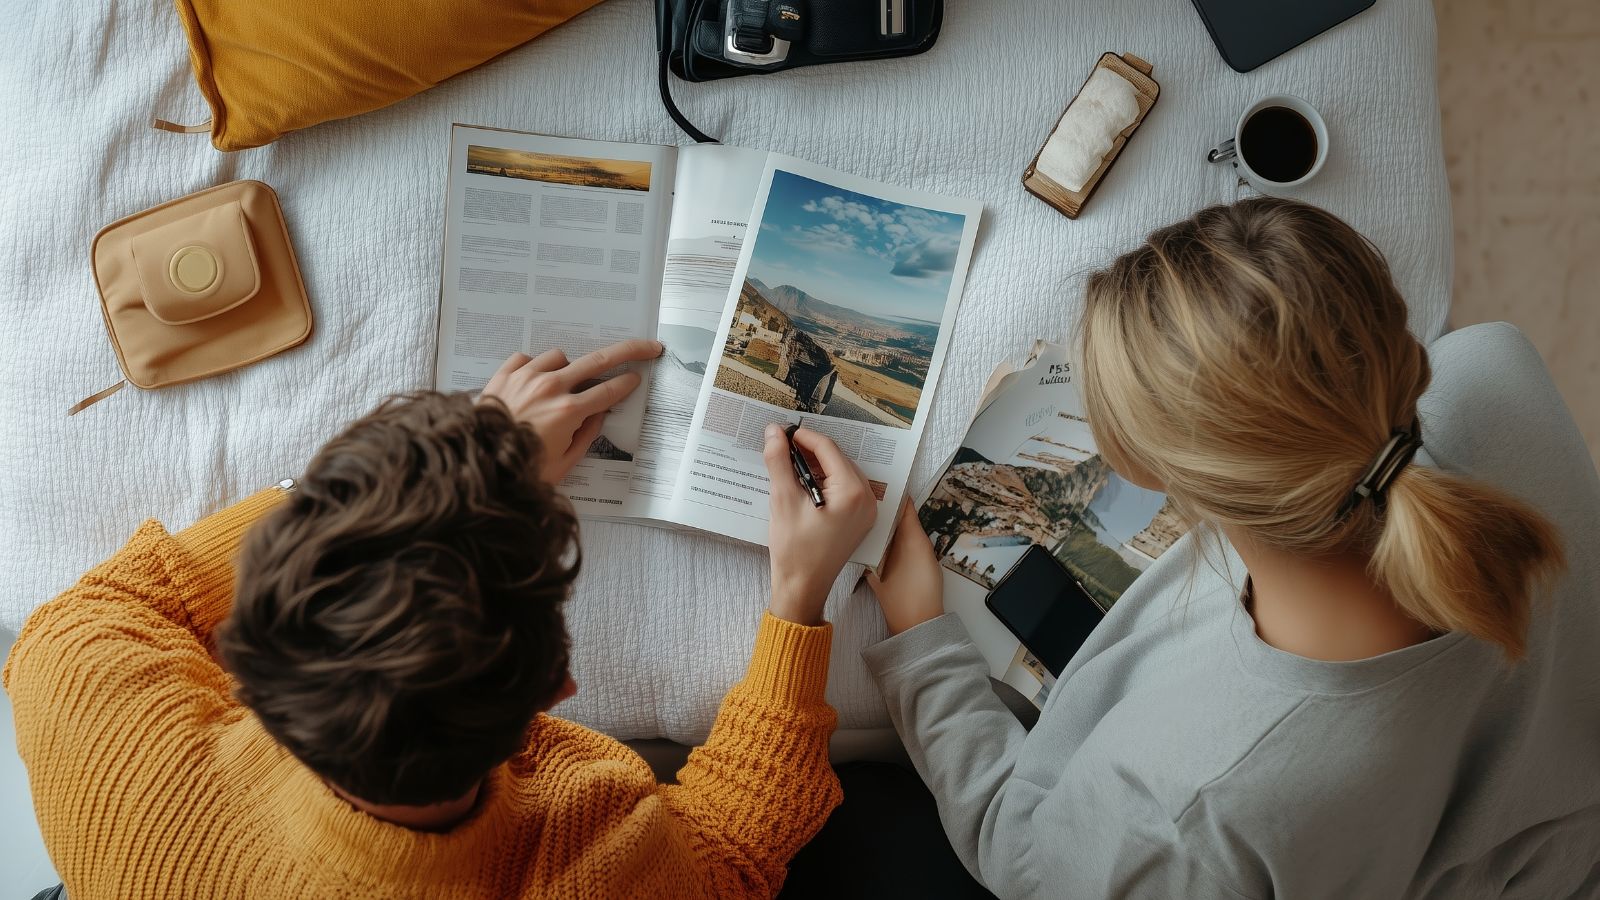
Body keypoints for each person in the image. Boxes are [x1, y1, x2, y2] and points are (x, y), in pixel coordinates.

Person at [864, 198, 1600, 898]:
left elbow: (1024, 860)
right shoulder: (1493, 367)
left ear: (1144, 471)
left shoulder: (1197, 807)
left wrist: (924, 645)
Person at [4, 339, 881, 898]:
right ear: (555, 689)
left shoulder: (101, 727)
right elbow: (732, 851)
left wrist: (445, 481)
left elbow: (102, 606)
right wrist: (799, 600)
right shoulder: (591, 871)